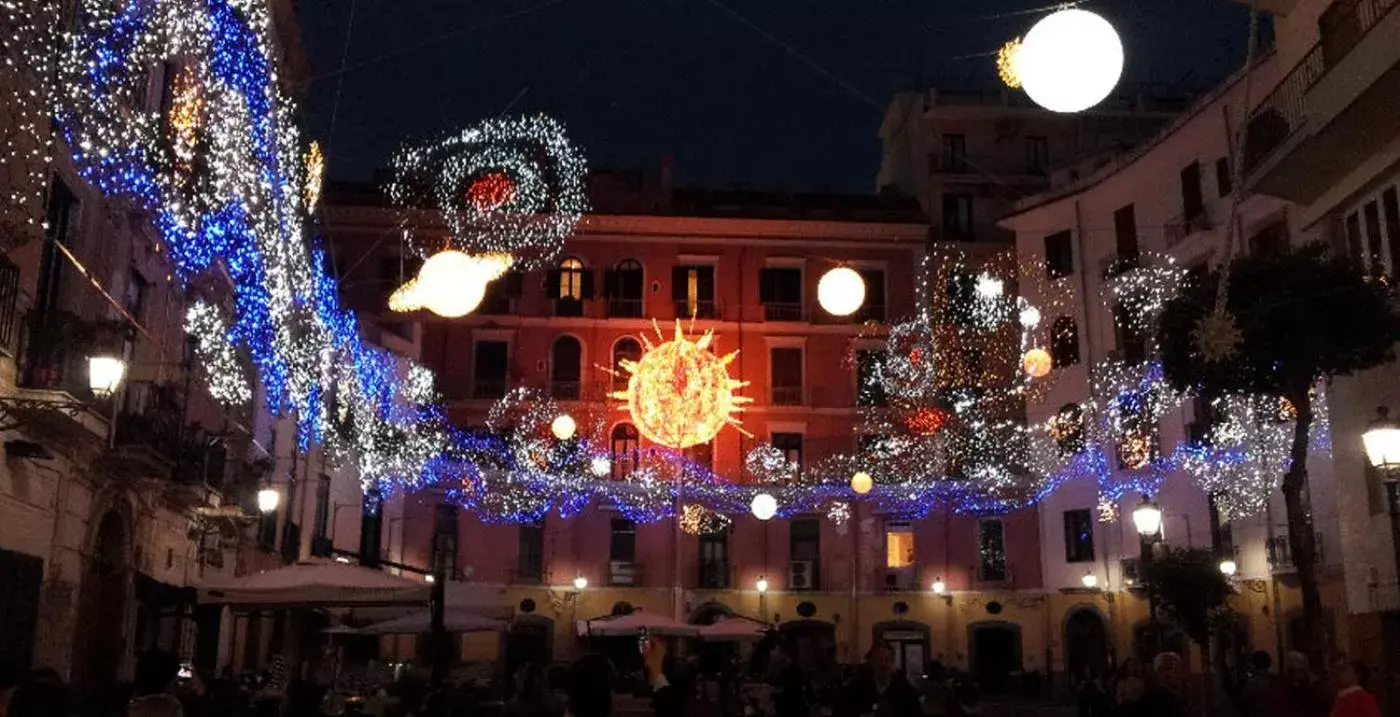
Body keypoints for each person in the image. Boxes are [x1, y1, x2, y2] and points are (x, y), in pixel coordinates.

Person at [843, 643, 922, 717]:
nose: (883, 664)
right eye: (879, 660)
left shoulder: (906, 691)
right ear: (872, 662)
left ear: (892, 662)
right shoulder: (856, 689)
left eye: (887, 660)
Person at [1268, 651, 1331, 717]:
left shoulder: (1318, 691)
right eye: (1295, 670)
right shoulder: (1282, 692)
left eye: (1302, 670)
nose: (1299, 673)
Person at [1137, 652, 1185, 717]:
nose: (1171, 672)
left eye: (1174, 668)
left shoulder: (1179, 694)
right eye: (1167, 668)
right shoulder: (1153, 697)